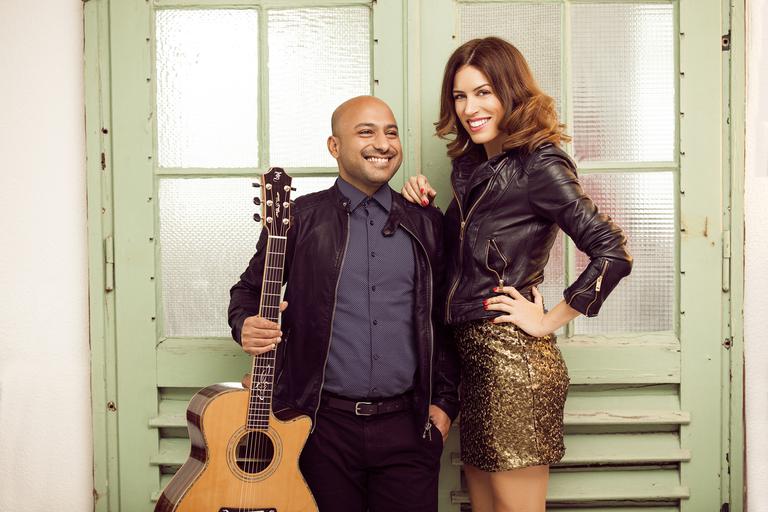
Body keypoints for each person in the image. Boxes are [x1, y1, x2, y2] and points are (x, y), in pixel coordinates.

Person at [401, 37, 633, 512]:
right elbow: (461, 262)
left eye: (483, 92)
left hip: (513, 364)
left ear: (510, 91)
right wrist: (422, 207)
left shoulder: (539, 163)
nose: (470, 108)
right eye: (460, 96)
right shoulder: (473, 167)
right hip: (475, 364)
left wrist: (546, 321)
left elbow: (612, 252)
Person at [228, 95, 460, 512]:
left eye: (391, 133)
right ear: (334, 146)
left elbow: (442, 320)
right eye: (366, 132)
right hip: (319, 428)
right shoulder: (298, 219)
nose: (383, 143)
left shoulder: (425, 221)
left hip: (408, 428)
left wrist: (444, 403)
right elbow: (247, 291)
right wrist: (245, 323)